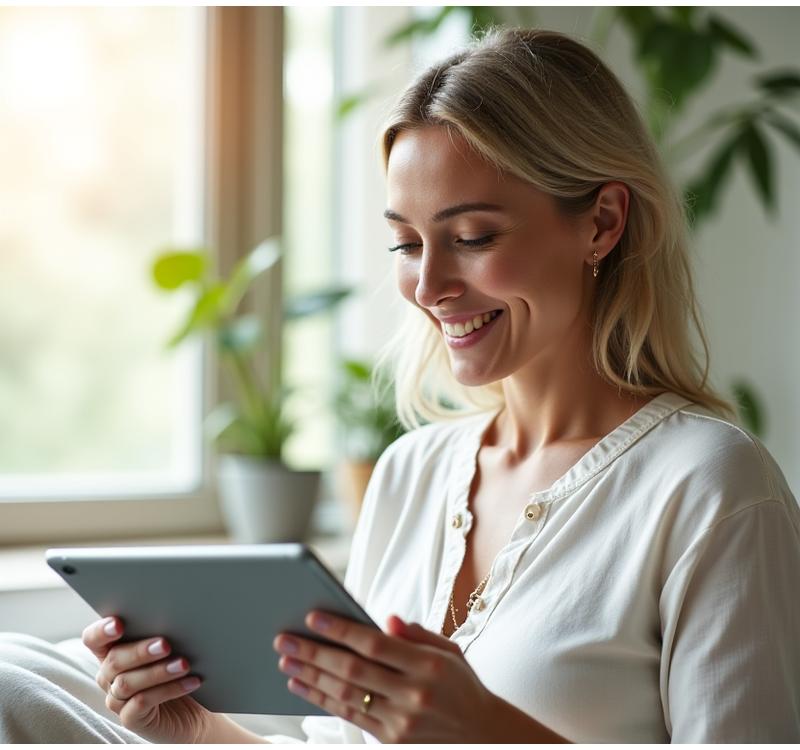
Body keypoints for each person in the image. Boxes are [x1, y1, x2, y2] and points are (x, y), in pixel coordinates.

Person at [2, 26, 799, 744]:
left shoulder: (712, 489)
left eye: (473, 237)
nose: (429, 285)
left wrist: (487, 733)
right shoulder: (410, 474)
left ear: (602, 222)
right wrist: (200, 730)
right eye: (407, 245)